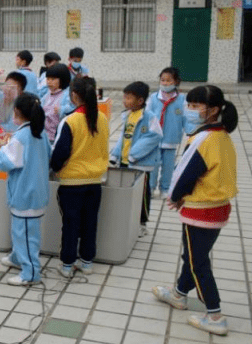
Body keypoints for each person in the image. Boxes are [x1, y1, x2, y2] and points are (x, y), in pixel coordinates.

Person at [152, 85, 237, 335]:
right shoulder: (221, 135)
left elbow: (186, 173)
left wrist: (176, 196)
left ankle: (215, 315)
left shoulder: (203, 139)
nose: (189, 110)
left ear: (212, 110)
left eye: (195, 106)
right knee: (192, 255)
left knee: (198, 261)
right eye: (188, 105)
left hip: (202, 208)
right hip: (217, 206)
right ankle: (179, 293)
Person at [50, 78, 109, 278]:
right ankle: (87, 262)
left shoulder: (70, 121)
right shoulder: (102, 118)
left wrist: (55, 168)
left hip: (72, 183)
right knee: (90, 222)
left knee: (71, 224)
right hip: (95, 181)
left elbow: (59, 153)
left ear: (74, 95)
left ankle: (67, 264)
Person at [0, 94, 51, 286]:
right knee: (21, 231)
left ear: (17, 112)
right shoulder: (40, 133)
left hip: (25, 195)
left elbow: (4, 163)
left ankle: (30, 273)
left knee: (26, 235)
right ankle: (17, 257)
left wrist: (2, 147)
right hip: (35, 193)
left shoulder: (20, 137)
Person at [109, 81, 162, 236]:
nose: (125, 101)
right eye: (124, 97)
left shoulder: (149, 117)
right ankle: (128, 221)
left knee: (142, 196)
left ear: (140, 101)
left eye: (128, 98)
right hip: (126, 163)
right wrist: (115, 155)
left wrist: (134, 154)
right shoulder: (128, 115)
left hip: (141, 165)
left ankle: (142, 223)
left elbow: (154, 136)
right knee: (128, 194)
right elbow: (122, 138)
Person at [147, 67, 186, 198]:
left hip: (171, 138)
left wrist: (191, 132)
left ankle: (165, 188)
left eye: (168, 80)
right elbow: (146, 115)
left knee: (168, 166)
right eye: (162, 80)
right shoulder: (153, 98)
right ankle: (150, 188)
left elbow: (186, 118)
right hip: (154, 139)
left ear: (176, 82)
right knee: (153, 165)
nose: (165, 83)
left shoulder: (181, 100)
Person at [41, 63, 71, 144]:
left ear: (62, 79)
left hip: (58, 136)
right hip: (45, 135)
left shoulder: (66, 94)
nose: (49, 82)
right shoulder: (47, 94)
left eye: (53, 79)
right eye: (48, 79)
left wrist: (62, 109)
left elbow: (72, 108)